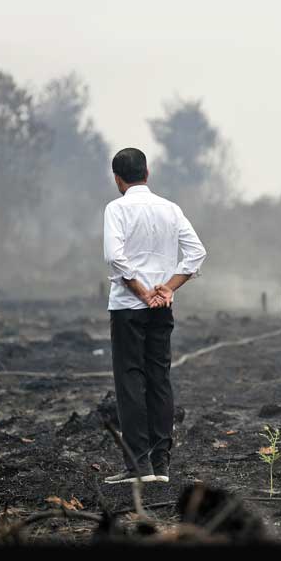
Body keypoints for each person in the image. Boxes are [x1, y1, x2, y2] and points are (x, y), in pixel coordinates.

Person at [103, 148, 206, 485]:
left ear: (118, 179)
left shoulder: (116, 209)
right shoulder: (170, 209)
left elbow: (115, 258)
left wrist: (141, 292)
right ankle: (160, 465)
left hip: (127, 308)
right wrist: (168, 288)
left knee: (130, 381)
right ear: (147, 174)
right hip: (162, 308)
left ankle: (138, 466)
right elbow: (196, 253)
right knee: (159, 380)